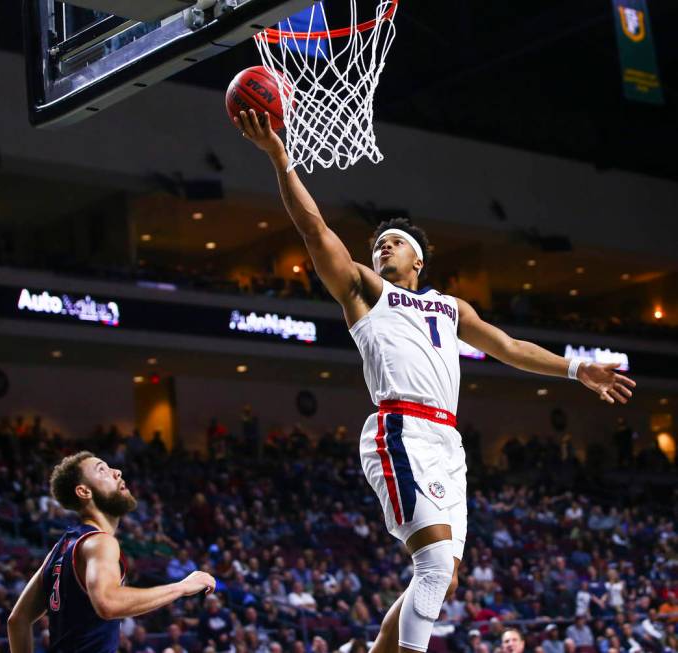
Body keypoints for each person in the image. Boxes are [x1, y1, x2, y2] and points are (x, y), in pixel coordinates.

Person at [235, 108, 637, 653]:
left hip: (447, 443)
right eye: (378, 243)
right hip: (397, 429)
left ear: (418, 259)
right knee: (430, 566)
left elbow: (510, 347)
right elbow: (314, 228)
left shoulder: (450, 307)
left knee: (444, 578)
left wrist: (575, 368)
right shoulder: (364, 291)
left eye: (394, 242)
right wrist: (281, 159)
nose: (382, 247)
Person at [7, 451, 215, 653]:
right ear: (84, 492)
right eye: (102, 470)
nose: (117, 472)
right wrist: (182, 587)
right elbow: (108, 603)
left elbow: (18, 621)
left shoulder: (62, 547)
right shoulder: (99, 542)